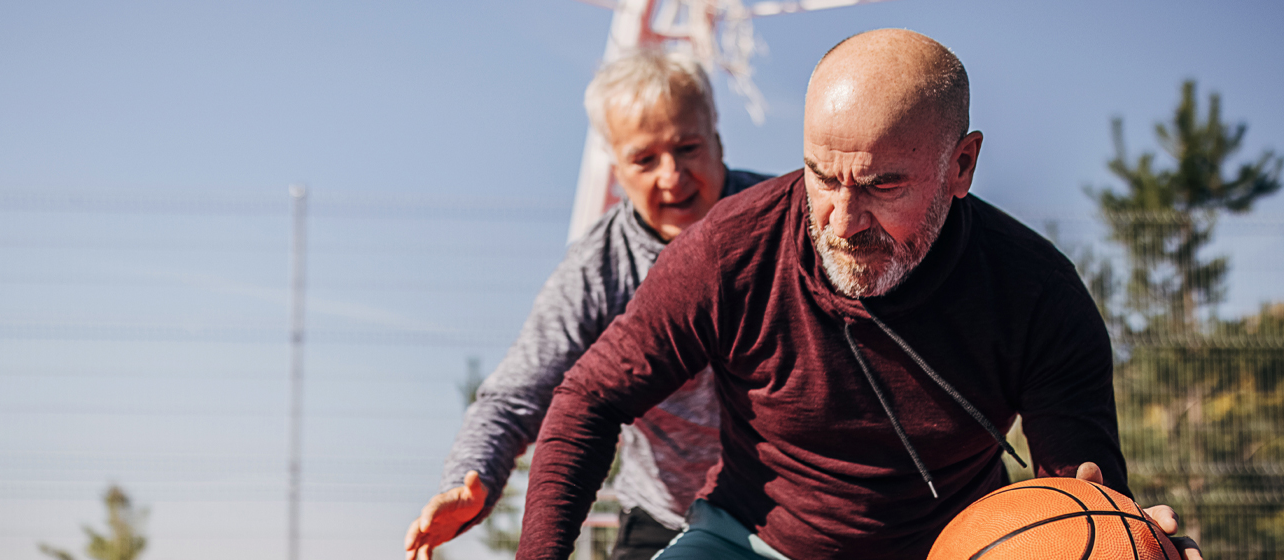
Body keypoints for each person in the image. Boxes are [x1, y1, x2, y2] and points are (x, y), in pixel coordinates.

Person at [511, 29, 1201, 560]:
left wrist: (1123, 533)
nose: (841, 221)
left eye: (882, 186)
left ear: (960, 166)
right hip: (749, 542)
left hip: (950, 546)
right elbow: (588, 399)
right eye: (822, 176)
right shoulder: (732, 249)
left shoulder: (1035, 293)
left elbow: (1076, 490)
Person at [402, 48, 773, 560]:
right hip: (669, 515)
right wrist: (471, 482)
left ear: (717, 137)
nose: (671, 175)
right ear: (616, 167)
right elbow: (514, 397)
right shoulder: (598, 270)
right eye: (645, 159)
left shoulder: (777, 224)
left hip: (788, 511)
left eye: (687, 147)